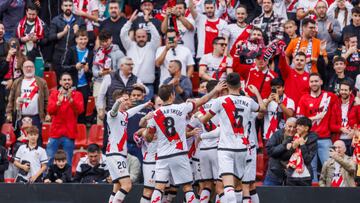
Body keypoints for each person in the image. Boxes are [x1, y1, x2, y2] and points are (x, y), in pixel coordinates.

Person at [145, 81, 227, 203]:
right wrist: (215, 90)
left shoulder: (154, 115)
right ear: (172, 95)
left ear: (160, 98)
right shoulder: (182, 107)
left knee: (159, 187)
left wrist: (151, 133)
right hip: (179, 154)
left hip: (162, 156)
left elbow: (148, 138)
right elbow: (203, 100)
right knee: (187, 187)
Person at [200, 73, 266, 203]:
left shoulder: (220, 101)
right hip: (242, 148)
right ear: (240, 84)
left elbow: (204, 120)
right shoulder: (248, 101)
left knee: (228, 187)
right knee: (238, 186)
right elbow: (262, 109)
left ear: (226, 85)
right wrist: (257, 93)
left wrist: (199, 116)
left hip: (226, 148)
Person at [105, 90, 151, 203]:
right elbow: (114, 111)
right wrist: (117, 103)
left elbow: (132, 111)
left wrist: (144, 105)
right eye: (125, 99)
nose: (128, 101)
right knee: (127, 185)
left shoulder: (124, 114)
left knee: (117, 187)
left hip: (116, 154)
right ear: (118, 100)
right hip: (116, 154)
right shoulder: (112, 114)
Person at [297, 73, 337, 183]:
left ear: (321, 82)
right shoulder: (304, 98)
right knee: (311, 168)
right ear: (309, 84)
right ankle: (313, 195)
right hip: (309, 139)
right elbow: (299, 121)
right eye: (312, 81)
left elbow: (343, 101)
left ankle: (332, 193)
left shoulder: (329, 96)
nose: (314, 83)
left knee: (330, 168)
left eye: (316, 81)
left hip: (325, 138)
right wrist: (315, 117)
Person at [6, 60, 49, 146]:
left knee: (37, 139)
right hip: (20, 117)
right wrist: (9, 113)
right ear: (22, 68)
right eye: (26, 67)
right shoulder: (17, 82)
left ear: (34, 68)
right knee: (20, 140)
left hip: (36, 117)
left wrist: (47, 113)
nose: (29, 69)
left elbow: (46, 100)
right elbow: (11, 99)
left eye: (31, 67)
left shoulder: (41, 82)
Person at [121, 10, 161, 101]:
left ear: (147, 37)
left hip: (148, 86)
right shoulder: (130, 46)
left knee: (146, 111)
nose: (141, 39)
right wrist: (130, 21)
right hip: (132, 86)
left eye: (143, 37)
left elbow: (157, 36)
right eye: (139, 37)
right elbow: (122, 34)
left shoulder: (152, 46)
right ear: (135, 37)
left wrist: (148, 22)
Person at [46, 72, 84, 166]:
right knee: (49, 159)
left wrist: (71, 100)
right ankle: (46, 179)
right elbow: (50, 111)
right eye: (64, 80)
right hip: (55, 132)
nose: (67, 81)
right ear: (60, 82)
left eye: (69, 79)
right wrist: (58, 103)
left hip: (69, 133)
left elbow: (80, 110)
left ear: (72, 82)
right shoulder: (54, 94)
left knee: (68, 161)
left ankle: (67, 179)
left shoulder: (78, 94)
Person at [49, 0, 86, 81]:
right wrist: (63, 32)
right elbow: (51, 37)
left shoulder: (79, 20)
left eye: (70, 5)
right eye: (66, 5)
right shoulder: (56, 20)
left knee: (73, 81)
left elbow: (84, 38)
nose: (68, 7)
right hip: (59, 54)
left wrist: (77, 32)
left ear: (72, 6)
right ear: (62, 7)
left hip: (74, 55)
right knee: (60, 81)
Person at [62, 29, 93, 124]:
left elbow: (92, 72)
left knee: (81, 109)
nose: (83, 41)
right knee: (69, 108)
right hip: (71, 85)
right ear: (76, 40)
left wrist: (88, 70)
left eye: (85, 39)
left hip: (84, 86)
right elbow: (63, 66)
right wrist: (74, 67)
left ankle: (80, 130)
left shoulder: (90, 52)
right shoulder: (71, 50)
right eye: (81, 39)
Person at [264, 117, 297, 186]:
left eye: (294, 127)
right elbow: (269, 151)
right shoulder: (277, 134)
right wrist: (284, 145)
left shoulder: (298, 137)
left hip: (292, 176)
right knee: (268, 195)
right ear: (285, 126)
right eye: (290, 126)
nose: (292, 129)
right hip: (274, 173)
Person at [285, 117, 318, 186]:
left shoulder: (312, 141)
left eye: (300, 126)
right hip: (291, 175)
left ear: (306, 128)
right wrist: (293, 147)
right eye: (297, 125)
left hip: (305, 176)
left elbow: (307, 160)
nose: (297, 128)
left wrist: (302, 145)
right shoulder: (293, 138)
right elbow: (286, 156)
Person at [127, 86, 152, 162]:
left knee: (140, 169)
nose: (136, 97)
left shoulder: (148, 110)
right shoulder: (126, 109)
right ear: (130, 96)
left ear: (143, 97)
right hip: (126, 145)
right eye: (133, 95)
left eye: (138, 95)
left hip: (140, 146)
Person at [330, 80, 355, 156]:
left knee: (353, 165)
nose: (343, 92)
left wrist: (354, 130)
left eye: (345, 90)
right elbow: (331, 125)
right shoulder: (335, 105)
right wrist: (341, 128)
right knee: (339, 165)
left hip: (353, 140)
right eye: (342, 90)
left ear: (350, 91)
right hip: (339, 140)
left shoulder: (356, 104)